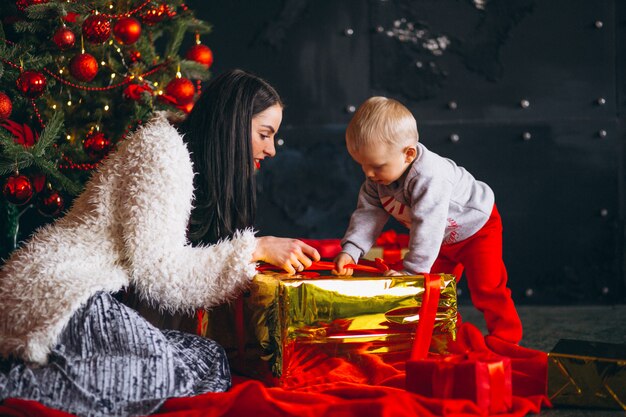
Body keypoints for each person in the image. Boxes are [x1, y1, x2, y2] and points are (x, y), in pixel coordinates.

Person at [0, 69, 320, 416]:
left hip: (105, 299)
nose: (271, 149)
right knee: (166, 375)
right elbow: (159, 272)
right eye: (264, 134)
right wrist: (254, 248)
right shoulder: (161, 151)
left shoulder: (195, 165)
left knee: (210, 361)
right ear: (233, 124)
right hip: (65, 290)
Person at [333, 96, 522, 344]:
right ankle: (438, 335)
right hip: (438, 240)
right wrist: (352, 250)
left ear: (409, 154)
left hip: (476, 229)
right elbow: (367, 214)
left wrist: (412, 270)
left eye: (377, 166)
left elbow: (428, 223)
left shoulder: (430, 175)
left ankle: (506, 338)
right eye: (363, 165)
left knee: (487, 287)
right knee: (431, 291)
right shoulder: (376, 181)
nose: (368, 174)